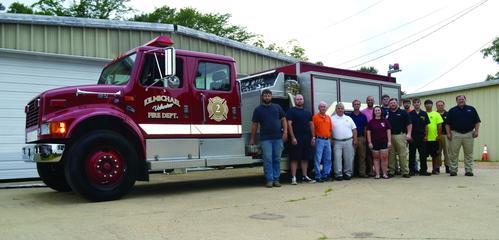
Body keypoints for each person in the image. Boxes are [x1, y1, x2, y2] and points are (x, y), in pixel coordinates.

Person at [250, 89, 288, 188]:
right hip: (265, 139)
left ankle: (276, 179)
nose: (267, 97)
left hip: (278, 138)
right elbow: (254, 124)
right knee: (267, 160)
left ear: (271, 97)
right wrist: (252, 138)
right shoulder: (258, 109)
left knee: (277, 159)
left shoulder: (277, 107)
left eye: (269, 95)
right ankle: (269, 180)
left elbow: (283, 119)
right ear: (262, 97)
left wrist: (285, 132)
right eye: (265, 95)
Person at [446, 95, 481, 177]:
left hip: (469, 134)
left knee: (468, 153)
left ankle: (469, 170)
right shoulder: (452, 110)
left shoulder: (471, 109)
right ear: (456, 101)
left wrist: (476, 131)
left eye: (462, 99)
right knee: (453, 153)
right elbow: (447, 124)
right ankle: (453, 170)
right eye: (459, 99)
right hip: (455, 134)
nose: (461, 100)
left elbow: (477, 121)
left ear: (465, 100)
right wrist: (448, 133)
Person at [286, 94, 315, 185]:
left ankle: (304, 176)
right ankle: (293, 177)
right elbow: (289, 124)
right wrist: (293, 137)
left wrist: (313, 137)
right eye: (297, 99)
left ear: (303, 100)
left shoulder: (308, 112)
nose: (299, 100)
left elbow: (311, 125)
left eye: (301, 99)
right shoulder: (291, 111)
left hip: (306, 138)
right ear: (295, 101)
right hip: (296, 138)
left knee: (305, 158)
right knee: (294, 158)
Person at [331, 103, 358, 181]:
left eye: (342, 108)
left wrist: (355, 139)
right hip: (337, 142)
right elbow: (329, 130)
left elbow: (354, 129)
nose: (340, 110)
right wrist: (331, 139)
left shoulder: (348, 118)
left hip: (348, 141)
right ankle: (338, 174)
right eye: (338, 108)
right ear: (336, 110)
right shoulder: (332, 119)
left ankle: (348, 173)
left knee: (348, 158)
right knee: (337, 158)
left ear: (344, 110)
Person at [387, 98, 412, 178]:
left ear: (397, 103)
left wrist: (409, 134)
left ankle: (405, 171)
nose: (393, 104)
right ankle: (392, 171)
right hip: (390, 136)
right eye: (391, 103)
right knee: (391, 155)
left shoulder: (403, 112)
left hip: (401, 135)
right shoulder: (387, 113)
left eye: (394, 103)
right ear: (389, 104)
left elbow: (409, 124)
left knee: (402, 154)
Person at [367, 106, 392, 179]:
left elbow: (388, 131)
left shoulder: (385, 120)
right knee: (376, 158)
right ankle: (377, 174)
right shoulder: (371, 122)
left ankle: (384, 174)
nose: (377, 111)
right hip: (374, 142)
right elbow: (368, 132)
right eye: (376, 110)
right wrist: (369, 142)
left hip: (384, 142)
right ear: (374, 112)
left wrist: (389, 141)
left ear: (381, 111)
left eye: (379, 110)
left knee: (384, 158)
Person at [312, 101, 334, 182]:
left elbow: (330, 129)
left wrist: (331, 139)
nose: (323, 108)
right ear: (319, 108)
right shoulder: (315, 117)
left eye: (324, 106)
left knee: (328, 158)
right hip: (319, 140)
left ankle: (325, 175)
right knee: (318, 158)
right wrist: (313, 138)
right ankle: (318, 175)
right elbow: (313, 129)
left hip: (327, 140)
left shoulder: (328, 117)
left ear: (326, 108)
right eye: (321, 106)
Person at [408, 98, 431, 176]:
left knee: (423, 154)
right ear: (413, 104)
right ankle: (412, 170)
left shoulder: (424, 113)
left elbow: (426, 126)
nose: (416, 104)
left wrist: (426, 136)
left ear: (420, 104)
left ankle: (423, 170)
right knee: (412, 155)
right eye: (415, 102)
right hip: (413, 137)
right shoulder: (410, 114)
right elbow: (408, 126)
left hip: (422, 137)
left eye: (418, 102)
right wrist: (409, 136)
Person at [348, 100, 368, 178]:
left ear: (360, 106)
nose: (356, 105)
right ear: (352, 105)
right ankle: (351, 173)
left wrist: (365, 137)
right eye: (355, 104)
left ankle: (362, 173)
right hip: (351, 138)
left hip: (361, 138)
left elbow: (365, 128)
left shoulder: (363, 116)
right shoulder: (349, 116)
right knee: (351, 157)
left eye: (358, 104)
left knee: (362, 157)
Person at [424, 100, 444, 174]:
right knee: (424, 155)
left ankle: (435, 169)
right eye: (426, 104)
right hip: (425, 139)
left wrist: (439, 135)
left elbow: (439, 125)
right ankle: (424, 169)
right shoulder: (423, 113)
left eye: (429, 104)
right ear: (424, 105)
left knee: (435, 155)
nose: (428, 105)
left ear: (432, 105)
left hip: (434, 138)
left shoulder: (436, 114)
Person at [361, 96, 375, 176]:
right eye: (368, 100)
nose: (370, 101)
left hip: (377, 136)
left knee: (377, 154)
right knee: (369, 155)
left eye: (371, 100)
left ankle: (378, 170)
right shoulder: (363, 112)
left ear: (373, 101)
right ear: (366, 101)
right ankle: (370, 170)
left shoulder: (377, 110)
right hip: (367, 136)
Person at [436, 100, 450, 173]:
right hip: (437, 136)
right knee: (437, 152)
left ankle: (448, 167)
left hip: (445, 135)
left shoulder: (448, 114)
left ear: (444, 105)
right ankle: (437, 167)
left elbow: (451, 124)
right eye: (439, 105)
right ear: (436, 106)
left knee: (447, 152)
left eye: (441, 105)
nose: (440, 106)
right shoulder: (434, 114)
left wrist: (449, 134)